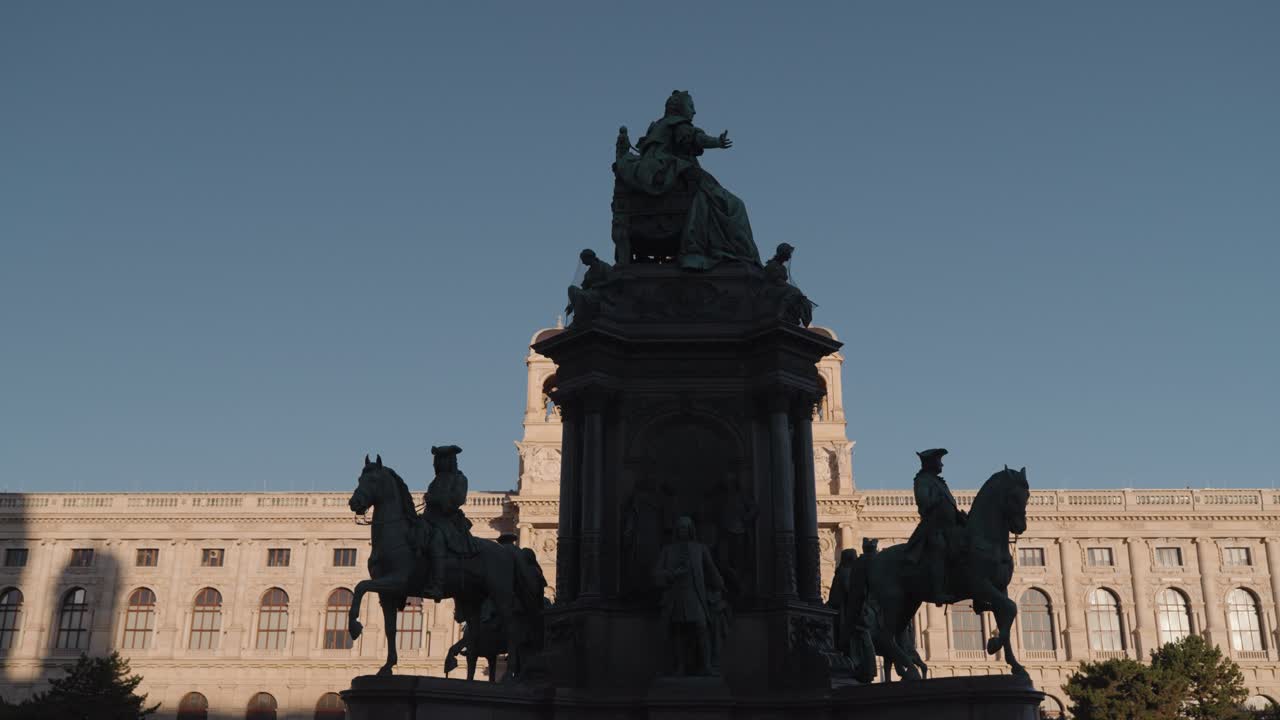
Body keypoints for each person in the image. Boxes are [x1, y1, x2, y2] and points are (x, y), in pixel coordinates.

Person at [614, 91, 761, 270]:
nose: (694, 111)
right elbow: (695, 139)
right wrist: (717, 142)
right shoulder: (678, 124)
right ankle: (729, 251)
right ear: (679, 108)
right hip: (677, 174)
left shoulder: (658, 127)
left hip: (660, 172)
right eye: (691, 106)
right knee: (734, 205)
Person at [653, 516, 724, 676]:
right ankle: (680, 667)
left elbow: (712, 570)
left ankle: (706, 665)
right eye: (680, 528)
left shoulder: (700, 548)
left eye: (685, 527)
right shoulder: (667, 550)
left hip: (696, 595)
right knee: (679, 631)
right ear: (676, 530)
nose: (682, 530)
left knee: (702, 627)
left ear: (691, 529)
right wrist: (671, 574)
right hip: (676, 596)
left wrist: (720, 584)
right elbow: (656, 574)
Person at [903, 449, 966, 602]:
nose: (942, 464)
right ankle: (938, 591)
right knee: (938, 548)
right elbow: (923, 502)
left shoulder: (939, 482)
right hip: (934, 526)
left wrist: (958, 515)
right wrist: (936, 502)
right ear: (931, 463)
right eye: (939, 461)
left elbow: (949, 505)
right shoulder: (922, 480)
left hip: (951, 527)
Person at [421, 445, 475, 599]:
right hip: (429, 519)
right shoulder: (436, 480)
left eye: (441, 460)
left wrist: (437, 499)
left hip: (448, 521)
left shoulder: (460, 479)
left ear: (450, 462)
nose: (437, 464)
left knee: (437, 539)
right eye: (437, 461)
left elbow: (458, 499)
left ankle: (438, 585)